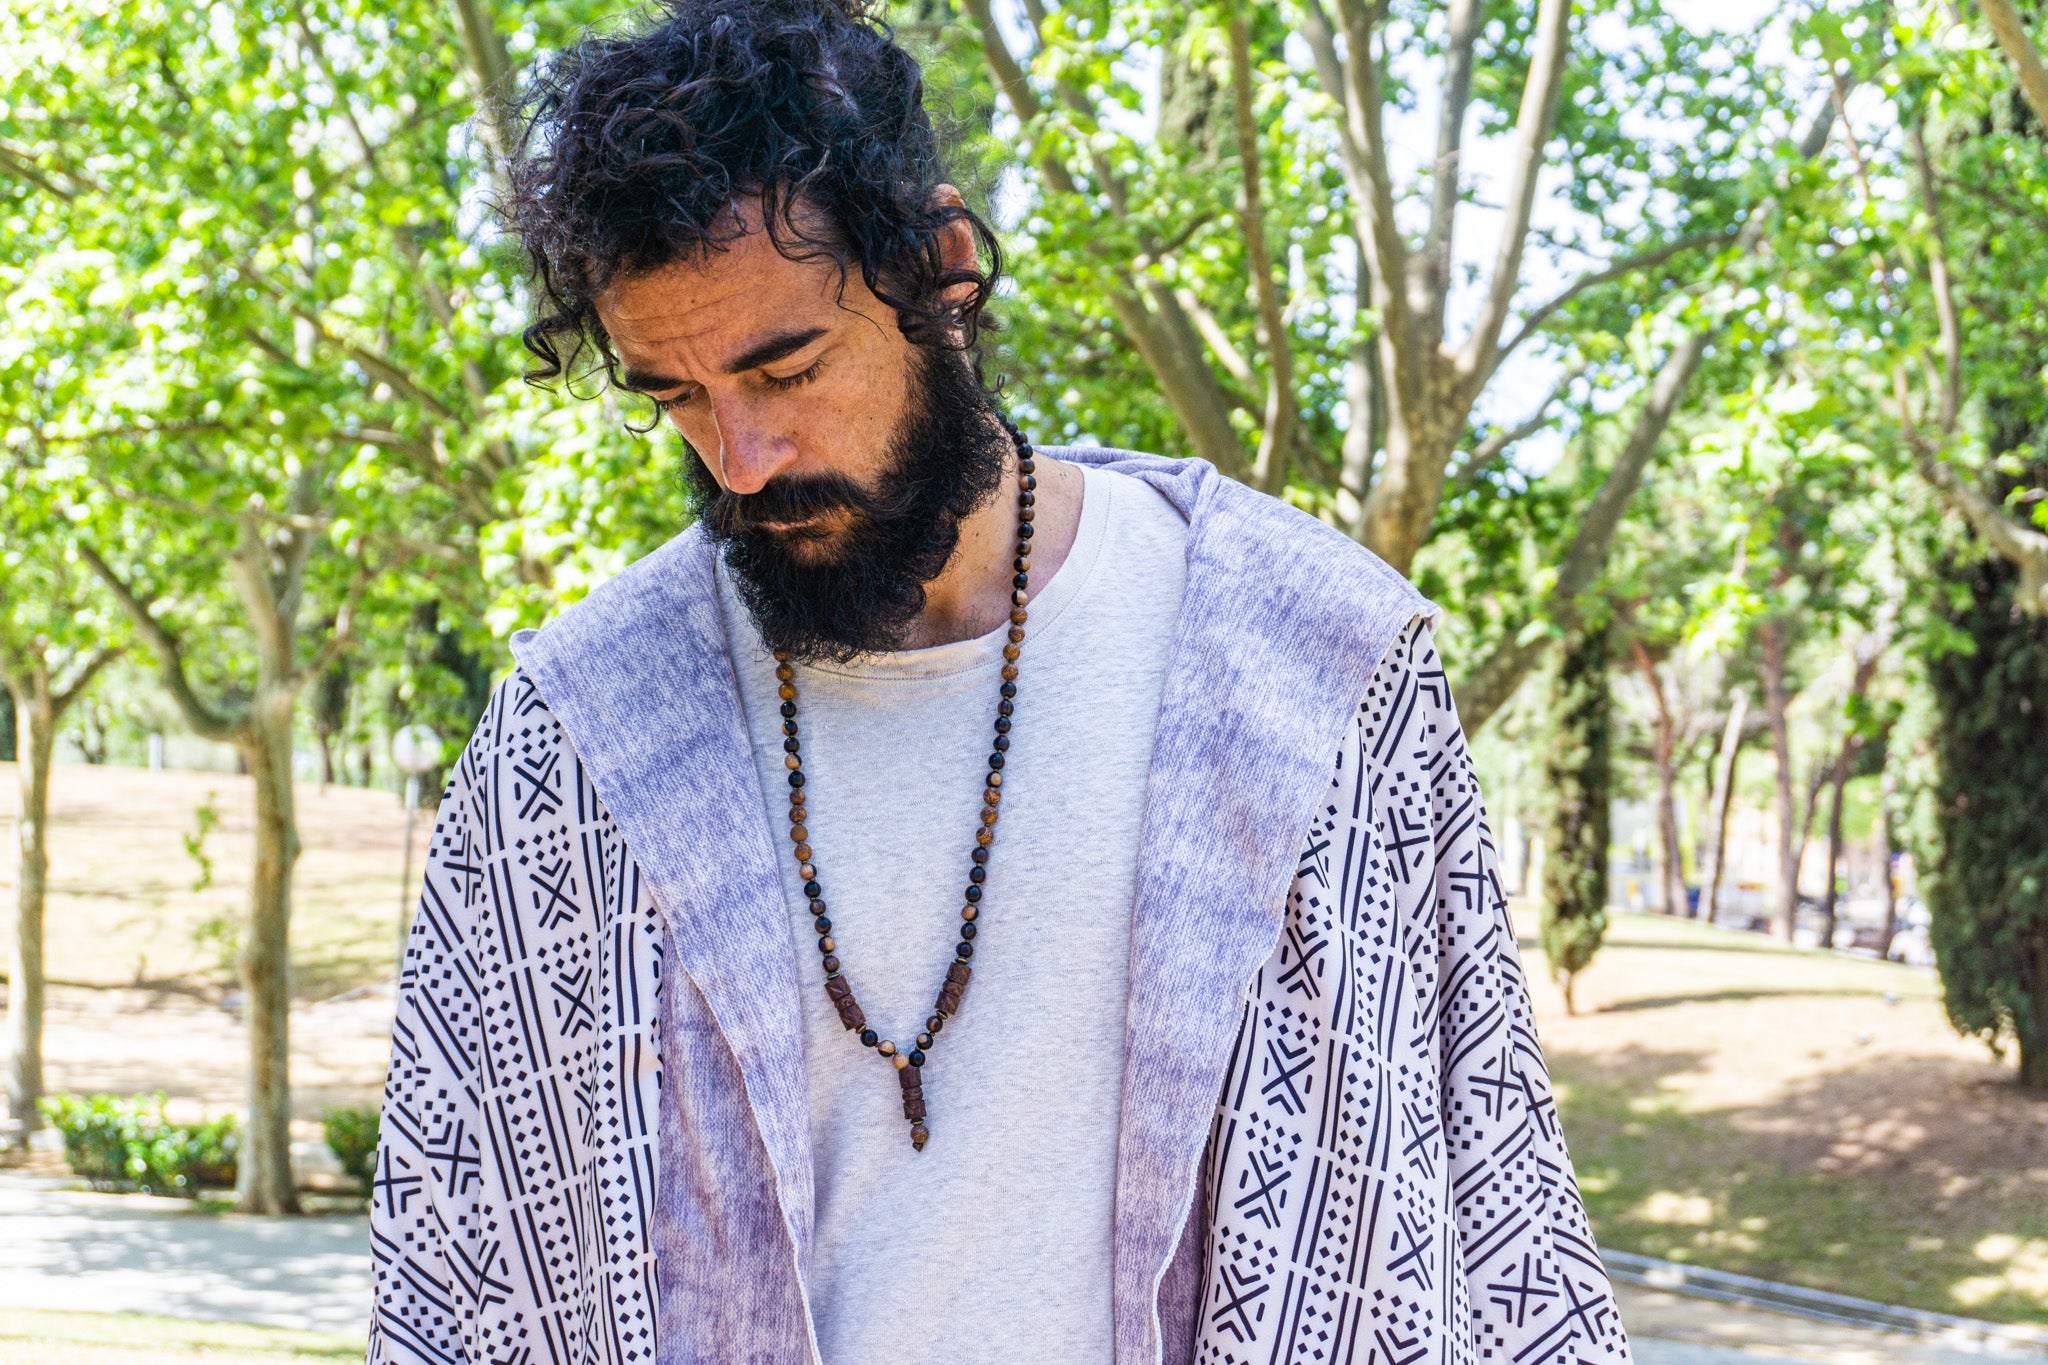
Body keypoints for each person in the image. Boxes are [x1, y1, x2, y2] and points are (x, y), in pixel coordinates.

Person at [365, 2, 1631, 1362]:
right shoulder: (578, 743)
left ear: (942, 269)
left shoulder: (1314, 668)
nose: (738, 455)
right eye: (671, 394)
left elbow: (1484, 1202)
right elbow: (461, 1264)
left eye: (786, 366)